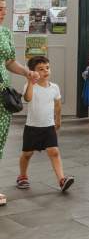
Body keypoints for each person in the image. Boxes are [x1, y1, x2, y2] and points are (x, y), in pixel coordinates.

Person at [0, 0, 39, 206]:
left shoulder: (5, 33)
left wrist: (27, 73)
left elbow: (9, 62)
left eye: (4, 9)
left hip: (2, 95)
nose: (3, 13)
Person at [16, 56, 74, 192]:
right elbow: (27, 98)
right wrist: (30, 81)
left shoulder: (54, 87)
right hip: (32, 127)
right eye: (40, 69)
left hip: (48, 126)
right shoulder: (30, 86)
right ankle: (22, 176)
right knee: (27, 154)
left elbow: (58, 105)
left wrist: (58, 120)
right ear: (33, 72)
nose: (45, 71)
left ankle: (61, 180)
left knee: (54, 152)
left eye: (47, 68)